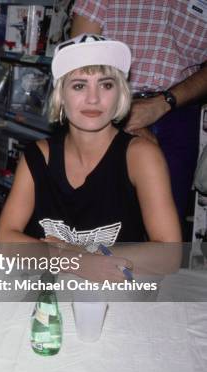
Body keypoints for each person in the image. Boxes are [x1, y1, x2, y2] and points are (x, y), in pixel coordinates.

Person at [0, 35, 181, 265]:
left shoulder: (140, 156)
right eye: (79, 85)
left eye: (106, 85)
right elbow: (3, 240)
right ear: (61, 96)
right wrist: (77, 262)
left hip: (119, 292)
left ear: (121, 94)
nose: (93, 98)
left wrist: (76, 257)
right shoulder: (38, 156)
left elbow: (169, 255)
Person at [71, 1, 207, 222]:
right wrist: (119, 115)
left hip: (178, 115)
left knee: (164, 230)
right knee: (95, 223)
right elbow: (81, 55)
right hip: (108, 109)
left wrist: (163, 103)